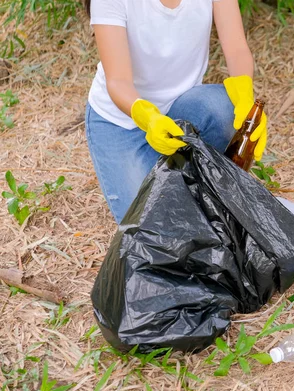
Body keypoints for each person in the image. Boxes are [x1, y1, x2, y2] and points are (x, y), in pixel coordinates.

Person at [83, 0, 268, 224]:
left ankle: (197, 176)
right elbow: (118, 81)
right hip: (122, 124)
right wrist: (148, 117)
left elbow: (237, 48)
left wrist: (245, 97)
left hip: (182, 110)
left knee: (224, 108)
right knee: (151, 224)